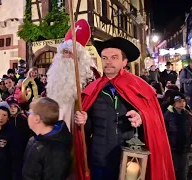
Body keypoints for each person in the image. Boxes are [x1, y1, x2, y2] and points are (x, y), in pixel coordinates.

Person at [74, 37, 175, 180]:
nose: (108, 61)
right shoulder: (92, 90)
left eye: (114, 57)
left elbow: (155, 121)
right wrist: (84, 121)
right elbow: (88, 130)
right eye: (104, 58)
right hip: (99, 160)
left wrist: (142, 117)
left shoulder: (140, 87)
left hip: (131, 160)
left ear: (124, 62)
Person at [46, 19, 98, 131]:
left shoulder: (90, 75)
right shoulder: (55, 72)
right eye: (64, 52)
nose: (66, 56)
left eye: (70, 52)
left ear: (79, 56)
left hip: (76, 126)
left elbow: (95, 105)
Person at [22, 97, 72, 180]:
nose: (27, 116)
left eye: (29, 113)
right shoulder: (35, 139)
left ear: (37, 119)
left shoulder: (56, 151)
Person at [164, 92, 192, 180]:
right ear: (174, 103)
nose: (182, 103)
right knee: (173, 169)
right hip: (172, 147)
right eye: (179, 101)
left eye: (183, 101)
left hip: (185, 146)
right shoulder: (167, 115)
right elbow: (164, 130)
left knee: (183, 171)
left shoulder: (188, 115)